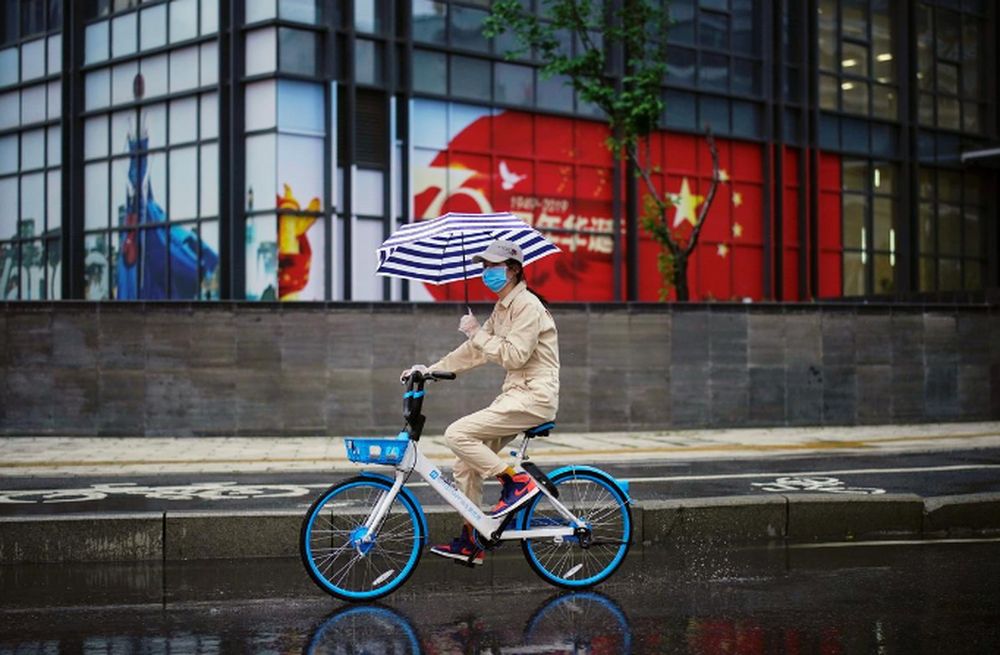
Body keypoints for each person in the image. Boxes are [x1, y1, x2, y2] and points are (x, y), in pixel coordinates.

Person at [400, 239, 560, 565]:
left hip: (534, 396)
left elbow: (515, 355)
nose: (486, 272)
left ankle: (515, 482)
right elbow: (474, 352)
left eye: (493, 266)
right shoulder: (504, 309)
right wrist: (428, 370)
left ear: (513, 269)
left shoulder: (527, 305)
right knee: (465, 464)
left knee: (457, 434)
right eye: (484, 267)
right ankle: (472, 540)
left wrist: (476, 332)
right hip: (517, 395)